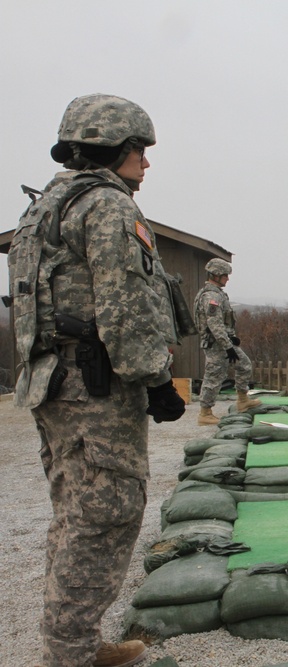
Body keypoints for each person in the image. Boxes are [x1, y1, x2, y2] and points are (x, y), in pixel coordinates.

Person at [9, 94, 187, 667]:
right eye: (139, 149)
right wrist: (157, 378)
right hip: (97, 385)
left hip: (54, 381)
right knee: (106, 513)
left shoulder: (45, 205)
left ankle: (73, 644)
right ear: (114, 148)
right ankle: (72, 654)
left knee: (74, 510)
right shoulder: (107, 204)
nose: (146, 162)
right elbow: (123, 302)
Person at [193, 258, 261, 425]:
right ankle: (205, 413)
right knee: (214, 376)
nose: (227, 279)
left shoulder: (218, 294)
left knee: (244, 365)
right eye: (225, 275)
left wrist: (231, 339)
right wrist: (227, 345)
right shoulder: (211, 296)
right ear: (215, 275)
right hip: (217, 344)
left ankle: (242, 400)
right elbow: (214, 323)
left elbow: (223, 322)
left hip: (224, 342)